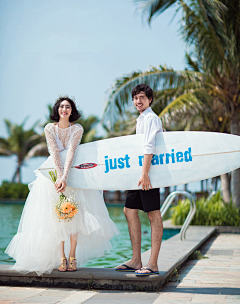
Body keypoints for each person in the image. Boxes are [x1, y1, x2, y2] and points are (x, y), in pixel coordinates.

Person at [6, 96, 119, 275]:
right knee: (56, 217)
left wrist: (65, 178)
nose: (64, 109)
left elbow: (72, 152)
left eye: (68, 107)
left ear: (72, 110)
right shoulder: (49, 128)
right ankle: (61, 257)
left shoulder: (78, 128)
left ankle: (72, 256)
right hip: (51, 175)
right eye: (61, 107)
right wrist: (59, 178)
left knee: (75, 215)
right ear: (57, 110)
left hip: (74, 174)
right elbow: (55, 154)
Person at [115, 84, 163, 276]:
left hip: (148, 173)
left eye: (142, 97)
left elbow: (149, 146)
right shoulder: (141, 119)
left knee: (153, 215)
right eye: (135, 98)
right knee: (129, 210)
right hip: (140, 172)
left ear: (149, 99)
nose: (138, 101)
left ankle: (152, 264)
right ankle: (136, 260)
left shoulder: (151, 118)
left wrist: (145, 174)